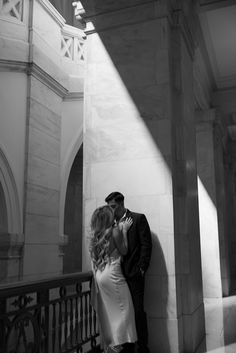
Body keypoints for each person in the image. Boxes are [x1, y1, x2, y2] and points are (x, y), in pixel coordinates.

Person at [105, 192, 152, 353]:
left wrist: (142, 268)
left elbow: (146, 245)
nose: (110, 210)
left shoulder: (138, 219)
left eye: (113, 206)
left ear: (121, 203)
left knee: (138, 312)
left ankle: (143, 348)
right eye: (108, 207)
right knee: (122, 313)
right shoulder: (109, 224)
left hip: (134, 275)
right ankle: (127, 346)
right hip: (116, 277)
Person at [89, 205, 137, 353]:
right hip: (113, 274)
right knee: (126, 309)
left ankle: (112, 343)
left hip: (100, 275)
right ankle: (117, 344)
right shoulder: (114, 231)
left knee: (110, 312)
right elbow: (124, 251)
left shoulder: (96, 235)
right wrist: (123, 230)